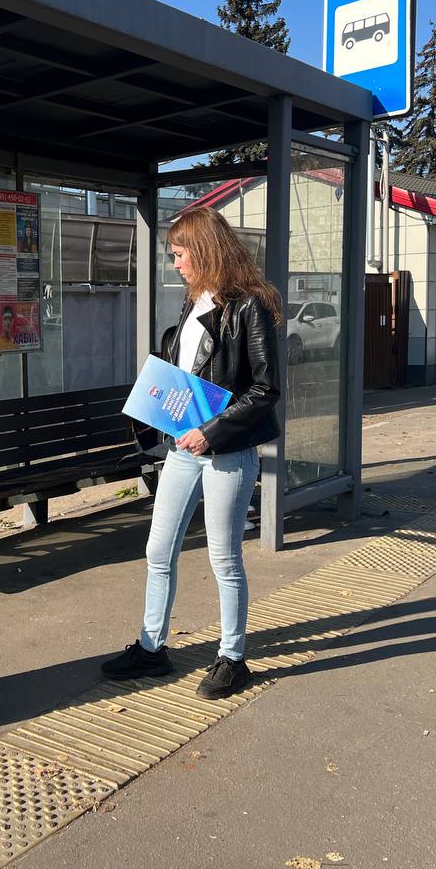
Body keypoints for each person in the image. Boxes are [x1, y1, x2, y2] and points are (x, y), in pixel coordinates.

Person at [102, 207, 282, 699]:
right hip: (184, 450)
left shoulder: (249, 306)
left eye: (180, 254)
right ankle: (151, 648)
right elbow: (187, 374)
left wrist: (211, 432)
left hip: (227, 452)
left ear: (204, 251)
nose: (176, 263)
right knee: (158, 550)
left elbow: (266, 389)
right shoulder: (193, 302)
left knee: (224, 558)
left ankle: (233, 658)